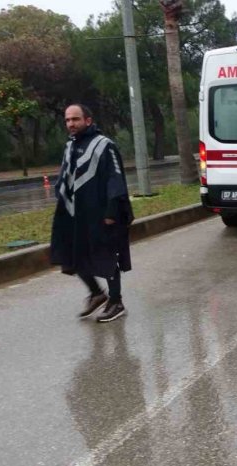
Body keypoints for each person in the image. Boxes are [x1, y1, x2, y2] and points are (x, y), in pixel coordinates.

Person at [50, 104, 133, 322]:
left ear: (88, 120)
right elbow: (65, 177)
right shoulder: (70, 146)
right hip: (74, 213)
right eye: (67, 120)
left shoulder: (104, 146)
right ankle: (97, 293)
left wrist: (112, 211)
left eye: (75, 119)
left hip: (101, 212)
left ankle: (116, 301)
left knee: (106, 255)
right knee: (72, 253)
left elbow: (115, 179)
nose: (71, 124)